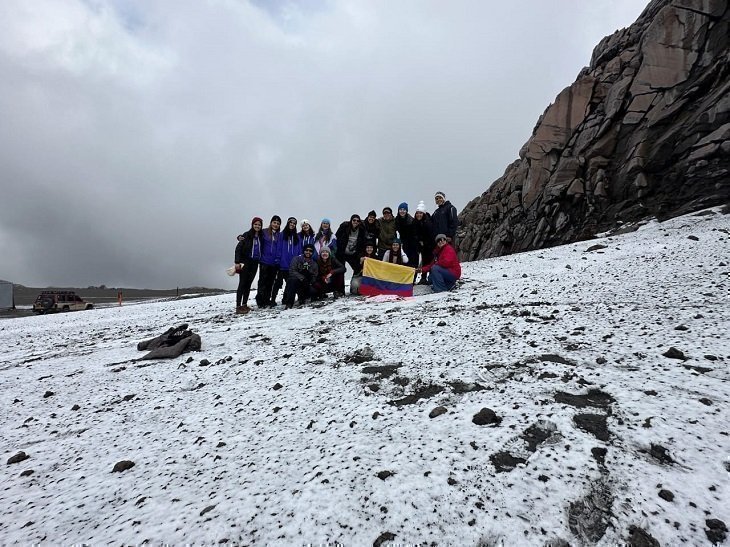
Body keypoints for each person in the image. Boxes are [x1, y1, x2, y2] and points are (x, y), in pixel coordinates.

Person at [234, 217, 263, 314]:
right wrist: (237, 262)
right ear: (252, 225)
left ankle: (244, 304)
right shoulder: (246, 235)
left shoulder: (261, 236)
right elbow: (238, 248)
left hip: (255, 263)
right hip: (245, 262)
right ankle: (238, 306)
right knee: (242, 283)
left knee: (249, 284)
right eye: (255, 224)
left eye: (259, 225)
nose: (257, 226)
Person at [273, 217, 302, 306]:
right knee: (278, 283)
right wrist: (278, 259)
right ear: (288, 223)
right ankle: (272, 299)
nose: (292, 225)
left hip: (292, 264)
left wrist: (299, 260)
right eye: (291, 223)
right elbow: (278, 248)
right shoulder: (282, 235)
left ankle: (285, 298)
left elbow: (299, 250)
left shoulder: (297, 237)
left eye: (294, 223)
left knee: (290, 282)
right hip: (282, 263)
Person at [255, 215, 281, 308]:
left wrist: (278, 259)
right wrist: (241, 237)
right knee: (262, 281)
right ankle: (260, 300)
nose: (276, 225)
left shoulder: (280, 235)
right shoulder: (264, 232)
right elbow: (253, 234)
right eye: (274, 222)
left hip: (274, 263)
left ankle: (267, 299)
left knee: (270, 282)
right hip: (264, 261)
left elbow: (280, 248)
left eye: (278, 223)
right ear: (271, 223)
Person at [283, 244, 319, 308]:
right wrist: (302, 278)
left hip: (307, 283)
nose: (308, 252)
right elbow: (292, 271)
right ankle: (289, 303)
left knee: (314, 290)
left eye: (310, 251)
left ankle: (303, 298)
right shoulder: (296, 259)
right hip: (297, 281)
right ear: (303, 251)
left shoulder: (314, 264)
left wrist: (310, 281)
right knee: (292, 280)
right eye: (306, 250)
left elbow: (315, 275)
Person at [412, 201, 433, 284]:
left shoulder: (428, 222)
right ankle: (423, 278)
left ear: (423, 213)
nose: (418, 215)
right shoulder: (415, 222)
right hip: (421, 246)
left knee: (429, 261)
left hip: (429, 246)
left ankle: (430, 277)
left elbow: (430, 235)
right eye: (417, 213)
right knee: (423, 261)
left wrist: (424, 242)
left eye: (420, 213)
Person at [395, 202, 418, 268]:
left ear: (406, 211)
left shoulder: (411, 220)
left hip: (411, 243)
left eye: (404, 210)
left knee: (411, 260)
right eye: (400, 209)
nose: (402, 211)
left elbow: (414, 233)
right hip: (402, 242)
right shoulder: (397, 219)